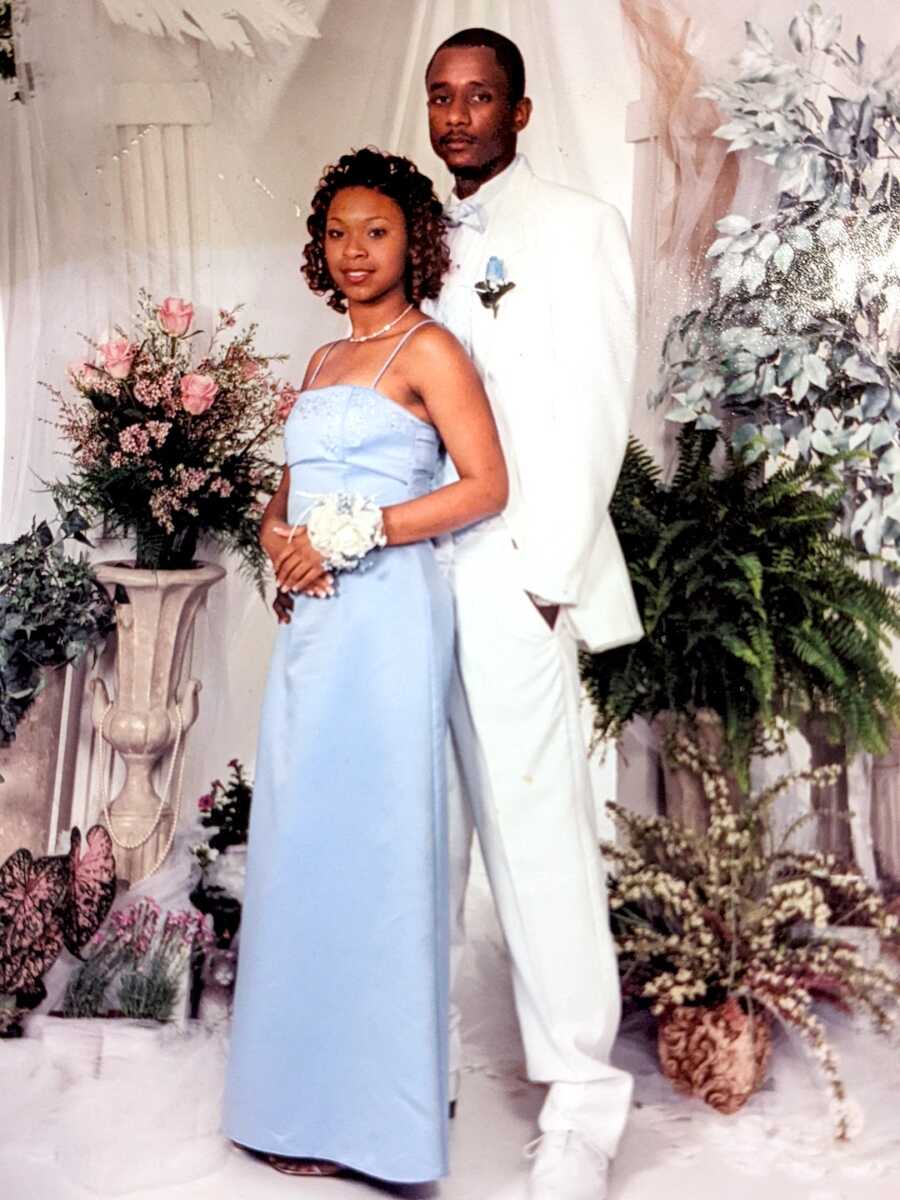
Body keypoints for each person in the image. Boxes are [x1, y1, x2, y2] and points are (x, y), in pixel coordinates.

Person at [223, 147, 508, 1184]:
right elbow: (283, 498)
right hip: (313, 625)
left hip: (388, 619)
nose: (354, 251)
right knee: (303, 847)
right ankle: (290, 1102)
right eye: (338, 233)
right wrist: (282, 541)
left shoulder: (432, 351)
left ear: (413, 242)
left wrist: (359, 528)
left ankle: (379, 1128)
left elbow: (483, 486)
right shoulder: (319, 364)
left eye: (375, 231)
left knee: (380, 848)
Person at [422, 28, 643, 1200]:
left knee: (538, 836)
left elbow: (597, 404)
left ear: (520, 111)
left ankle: (584, 1105)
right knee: (423, 831)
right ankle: (412, 1072)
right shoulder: (410, 231)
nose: (458, 118)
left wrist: (544, 576)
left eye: (480, 98)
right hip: (410, 577)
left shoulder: (575, 225)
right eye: (441, 97)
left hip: (514, 570)